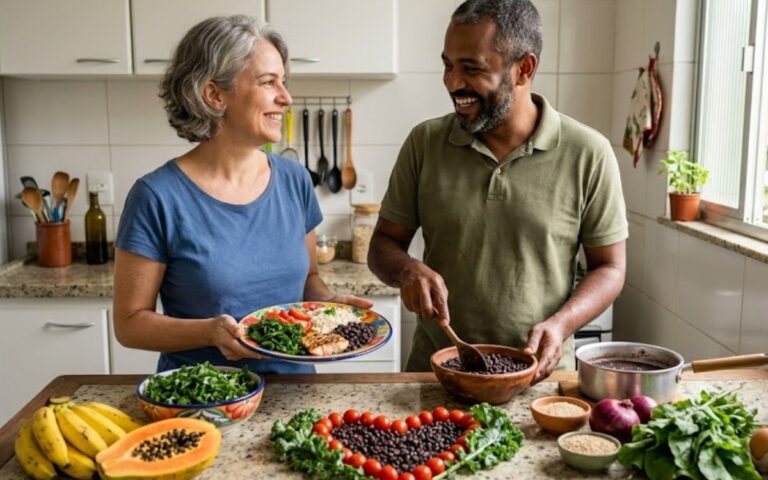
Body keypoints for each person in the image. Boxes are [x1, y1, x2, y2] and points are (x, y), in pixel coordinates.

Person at [368, 0, 627, 383]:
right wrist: (407, 270)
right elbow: (382, 245)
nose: (453, 83)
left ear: (524, 69)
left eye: (471, 68)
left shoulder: (589, 152)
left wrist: (561, 323)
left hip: (539, 379)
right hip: (436, 375)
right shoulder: (424, 143)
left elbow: (610, 268)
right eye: (448, 65)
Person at [113, 15, 372, 374]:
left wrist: (329, 303)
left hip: (297, 393)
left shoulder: (295, 180)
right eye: (268, 82)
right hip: (207, 394)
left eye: (283, 82)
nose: (286, 98)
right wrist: (209, 332)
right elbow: (129, 324)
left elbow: (308, 280)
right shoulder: (156, 197)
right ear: (215, 95)